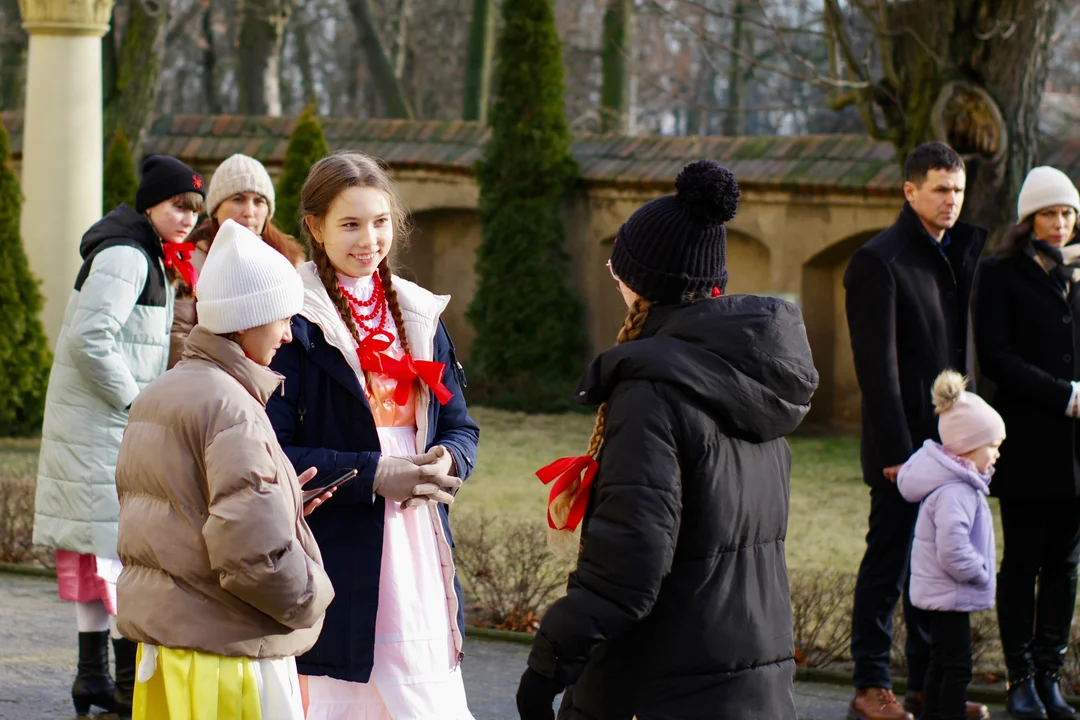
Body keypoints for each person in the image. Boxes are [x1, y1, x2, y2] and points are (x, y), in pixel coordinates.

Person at [515, 160, 818, 720]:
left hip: (660, 686)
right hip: (753, 684)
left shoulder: (653, 393)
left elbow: (627, 569)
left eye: (617, 265)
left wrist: (545, 669)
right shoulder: (755, 379)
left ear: (638, 281)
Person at [265, 151, 479, 719]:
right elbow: (273, 451)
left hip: (418, 538)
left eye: (380, 221)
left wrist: (448, 461)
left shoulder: (416, 311)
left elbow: (460, 424)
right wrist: (376, 474)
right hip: (338, 539)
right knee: (345, 691)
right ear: (314, 226)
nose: (369, 239)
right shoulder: (293, 318)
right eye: (351, 224)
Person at [113, 219, 335, 720]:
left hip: (170, 650)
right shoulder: (232, 407)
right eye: (281, 318)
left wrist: (285, 503)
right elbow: (252, 558)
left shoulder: (162, 391)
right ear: (245, 318)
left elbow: (179, 510)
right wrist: (316, 593)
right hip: (227, 657)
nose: (287, 332)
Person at [32, 155, 204, 719]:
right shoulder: (129, 255)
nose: (187, 218)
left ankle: (92, 678)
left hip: (98, 427)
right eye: (179, 205)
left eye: (194, 210)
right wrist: (138, 399)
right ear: (152, 202)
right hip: (103, 429)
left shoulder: (139, 250)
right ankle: (125, 687)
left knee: (100, 555)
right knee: (122, 556)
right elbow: (91, 339)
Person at [844, 141, 989, 720]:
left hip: (953, 447)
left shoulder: (960, 253)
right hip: (903, 450)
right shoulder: (879, 261)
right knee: (888, 563)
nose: (950, 200)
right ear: (910, 191)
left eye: (957, 190)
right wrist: (895, 452)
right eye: (939, 189)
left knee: (936, 570)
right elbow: (875, 370)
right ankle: (869, 686)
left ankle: (928, 689)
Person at [974, 165, 1080, 719]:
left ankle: (1049, 673)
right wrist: (1063, 394)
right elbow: (996, 357)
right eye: (1049, 213)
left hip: (1077, 452)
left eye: (1067, 213)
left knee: (1065, 567)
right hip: (1029, 442)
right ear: (1028, 218)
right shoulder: (1000, 273)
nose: (1060, 224)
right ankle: (1019, 677)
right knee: (1024, 563)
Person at [897, 371, 1004, 720]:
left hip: (945, 595)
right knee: (956, 667)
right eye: (994, 446)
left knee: (941, 663)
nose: (997, 454)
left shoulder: (957, 486)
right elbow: (953, 549)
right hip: (952, 595)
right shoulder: (956, 492)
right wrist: (980, 572)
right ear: (969, 447)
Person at [169, 152, 306, 368]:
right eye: (238, 199)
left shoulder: (290, 259)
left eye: (259, 201)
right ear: (215, 209)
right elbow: (178, 332)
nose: (249, 212)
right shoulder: (189, 261)